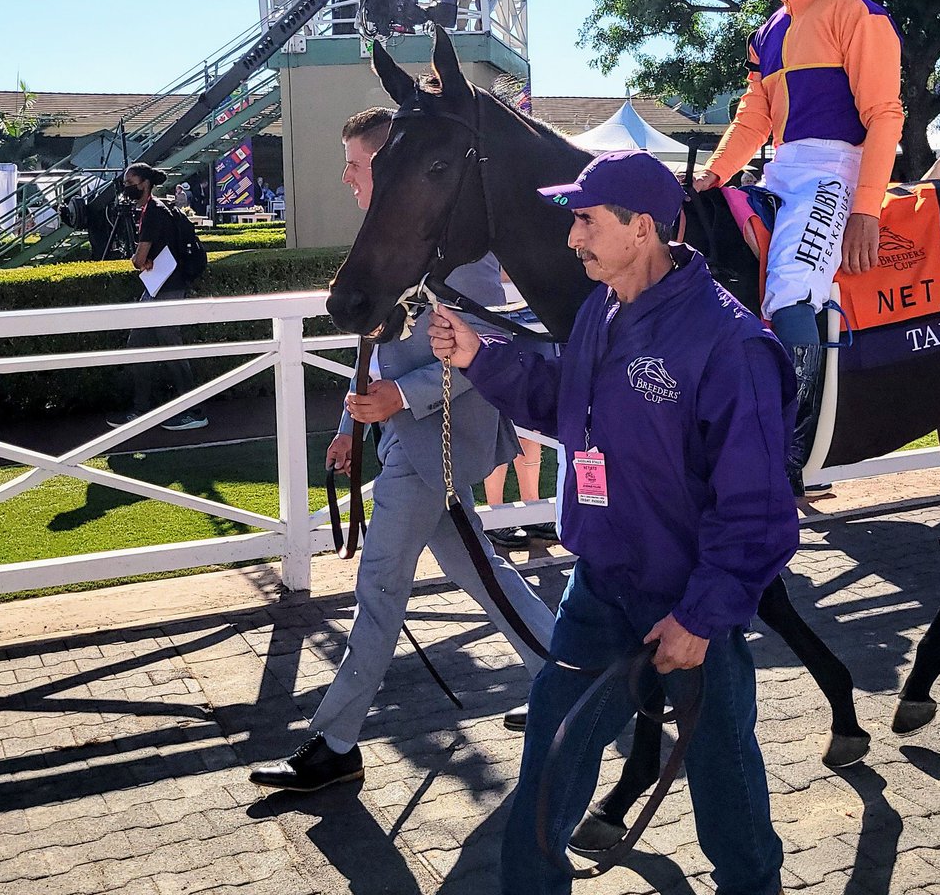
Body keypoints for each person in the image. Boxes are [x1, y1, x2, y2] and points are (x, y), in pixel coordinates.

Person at [429, 149, 799, 895]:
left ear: (643, 229)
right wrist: (481, 355)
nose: (572, 238)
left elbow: (757, 510)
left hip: (689, 603)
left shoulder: (731, 344)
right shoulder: (602, 307)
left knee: (723, 784)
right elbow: (568, 407)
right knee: (550, 763)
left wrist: (699, 616)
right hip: (598, 587)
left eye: (587, 221)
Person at [249, 108, 555, 794]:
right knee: (483, 575)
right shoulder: (392, 240)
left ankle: (335, 742)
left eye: (357, 165)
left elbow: (481, 351)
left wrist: (403, 399)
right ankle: (564, 676)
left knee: (379, 589)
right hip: (409, 447)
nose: (348, 177)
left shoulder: (462, 258)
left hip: (435, 451)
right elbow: (374, 345)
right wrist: (350, 426)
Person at [693, 0, 904, 491]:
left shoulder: (859, 14)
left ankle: (792, 445)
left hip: (836, 170)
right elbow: (753, 116)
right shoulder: (769, 30)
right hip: (779, 168)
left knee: (788, 290)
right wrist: (713, 177)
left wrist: (865, 211)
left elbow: (885, 115)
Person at [106, 164, 208, 432]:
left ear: (145, 183)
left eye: (131, 181)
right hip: (160, 287)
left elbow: (139, 259)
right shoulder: (161, 207)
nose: (126, 186)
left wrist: (138, 260)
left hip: (165, 289)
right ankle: (141, 409)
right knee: (140, 345)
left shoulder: (153, 212)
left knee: (168, 349)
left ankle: (193, 411)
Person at [484, 272, 558, 548]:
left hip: (534, 321)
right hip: (495, 321)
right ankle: (495, 516)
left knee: (533, 420)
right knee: (496, 419)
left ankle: (534, 509)